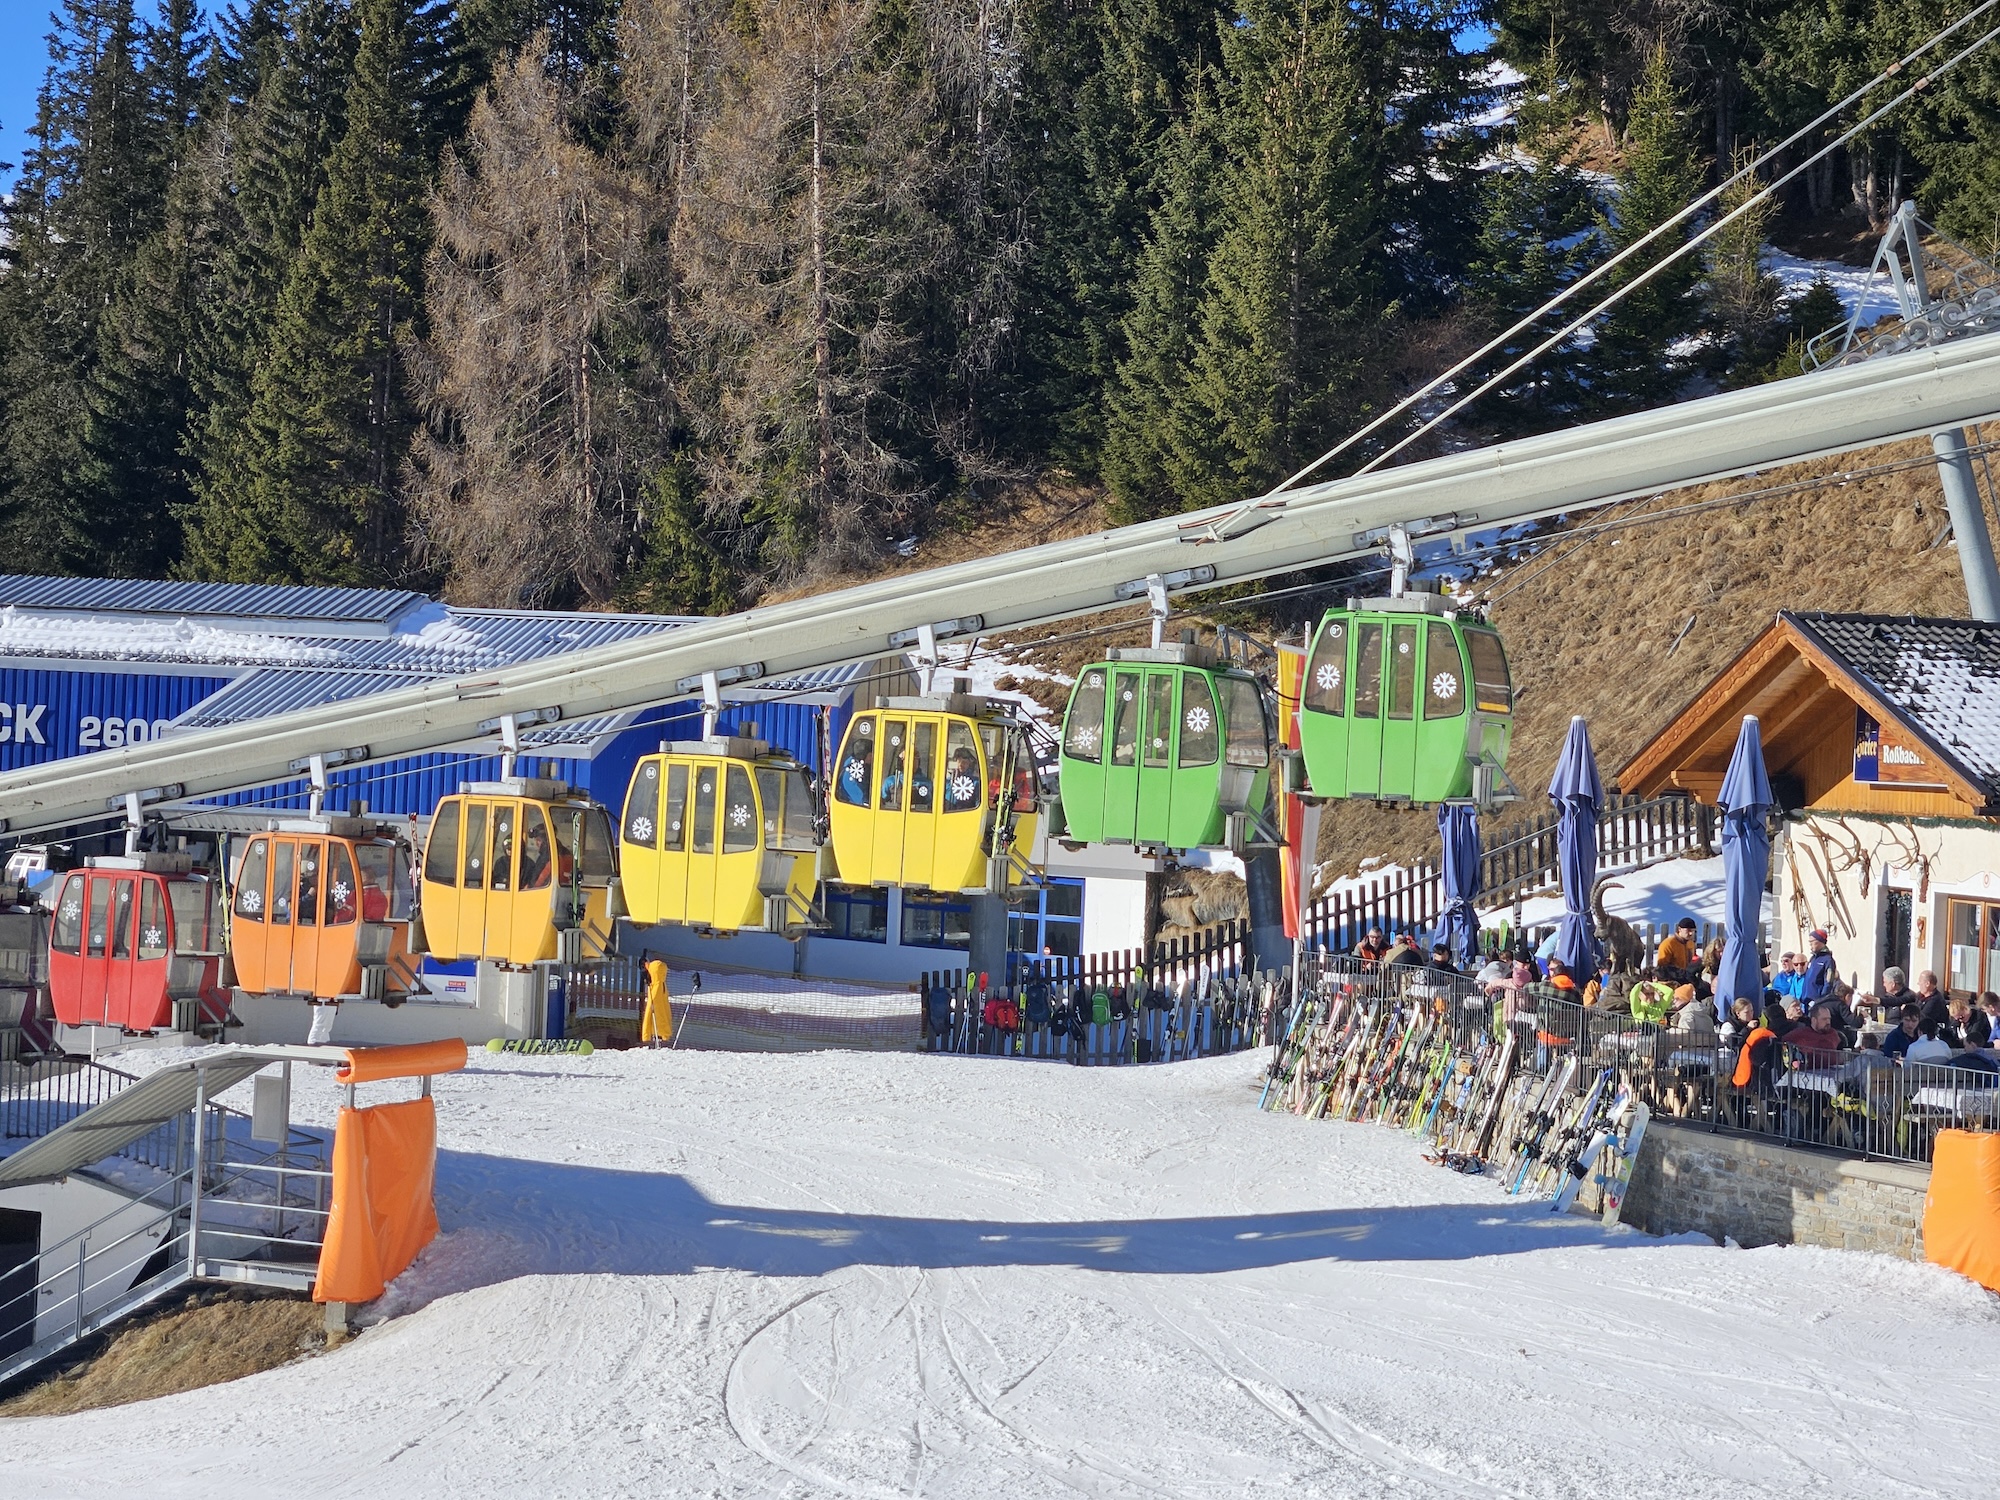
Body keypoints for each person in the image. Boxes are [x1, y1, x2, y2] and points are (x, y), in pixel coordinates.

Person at [1656, 918, 1700, 984]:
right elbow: (1662, 967)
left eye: (1693, 931)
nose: (1691, 933)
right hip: (1672, 980)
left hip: (1688, 978)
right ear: (1679, 929)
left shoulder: (1691, 943)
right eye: (1688, 930)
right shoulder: (1668, 944)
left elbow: (1693, 960)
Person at [1801, 930, 1836, 1002]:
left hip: (1817, 1001)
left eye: (1812, 941)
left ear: (1820, 941)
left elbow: (1828, 982)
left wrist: (1821, 1000)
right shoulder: (1813, 959)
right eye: (1809, 942)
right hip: (1806, 999)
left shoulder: (1828, 960)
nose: (1810, 944)